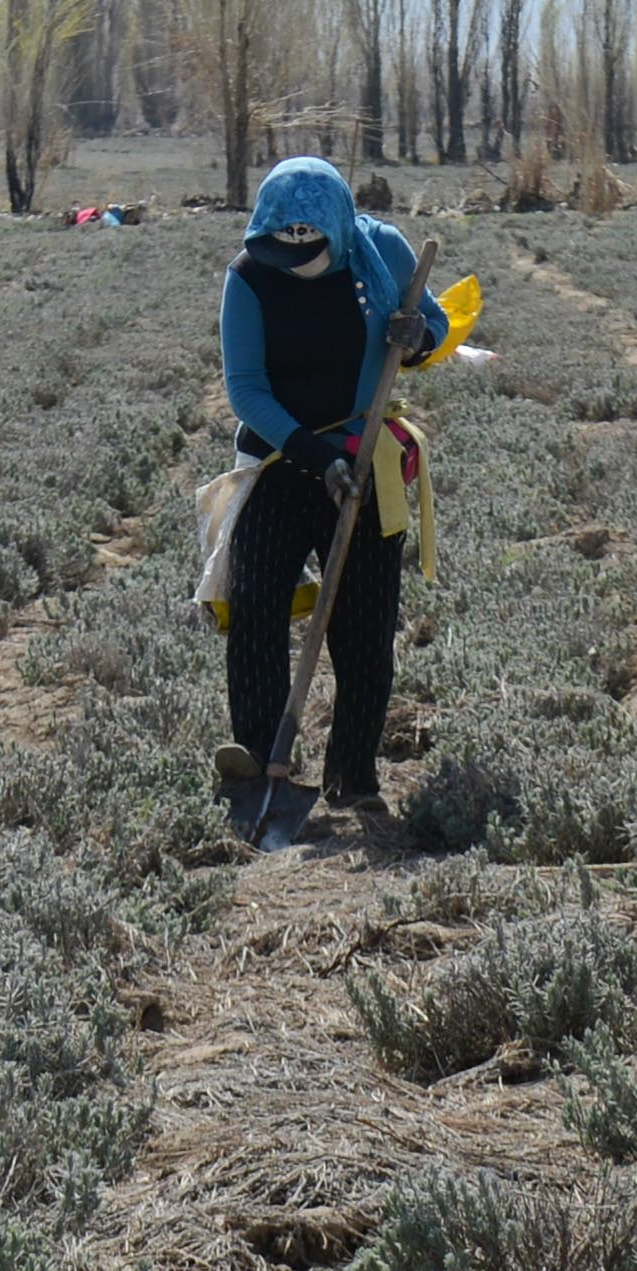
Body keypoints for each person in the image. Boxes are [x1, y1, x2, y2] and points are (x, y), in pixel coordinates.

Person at [214, 155, 453, 819]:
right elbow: (247, 390)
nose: (297, 263)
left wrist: (418, 338)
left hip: (364, 459)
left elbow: (432, 322)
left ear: (338, 234)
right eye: (283, 249)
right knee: (258, 609)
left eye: (311, 249)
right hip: (277, 463)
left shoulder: (381, 252)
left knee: (364, 628)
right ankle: (263, 760)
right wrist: (313, 455)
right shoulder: (248, 281)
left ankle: (355, 773)